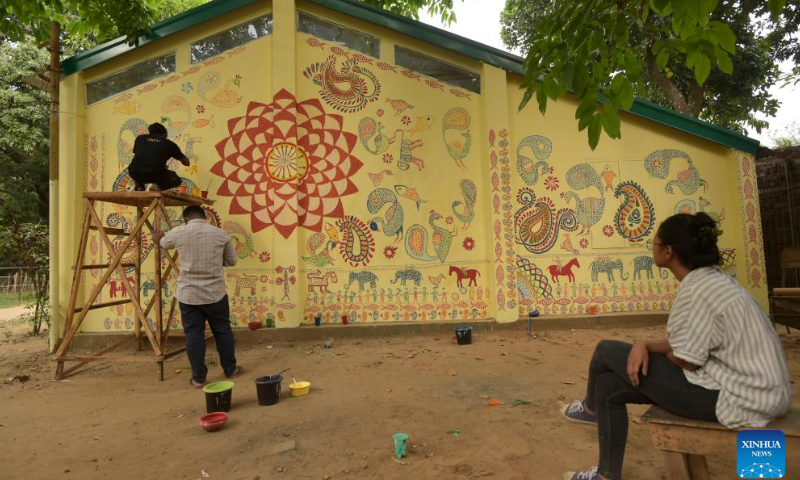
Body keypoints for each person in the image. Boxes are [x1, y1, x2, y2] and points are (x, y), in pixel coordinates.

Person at [562, 212, 792, 480]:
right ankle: (606, 474)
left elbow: (687, 360)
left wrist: (647, 349)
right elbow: (697, 342)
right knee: (609, 386)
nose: (653, 248)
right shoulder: (712, 281)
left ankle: (590, 410)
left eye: (655, 243)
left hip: (740, 398)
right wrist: (645, 344)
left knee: (605, 350)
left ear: (668, 252)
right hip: (760, 391)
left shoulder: (695, 291)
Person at [153, 205, 242, 388]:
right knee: (222, 331)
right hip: (215, 293)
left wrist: (158, 237)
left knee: (194, 335)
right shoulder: (220, 234)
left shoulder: (179, 232)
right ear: (205, 217)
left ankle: (199, 378)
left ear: (186, 218)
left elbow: (163, 243)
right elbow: (231, 261)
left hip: (188, 295)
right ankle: (230, 369)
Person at [129, 122, 190, 191]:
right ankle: (157, 187)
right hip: (155, 173)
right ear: (165, 134)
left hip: (134, 172)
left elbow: (140, 157)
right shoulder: (169, 143)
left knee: (138, 167)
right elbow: (186, 163)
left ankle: (139, 186)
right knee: (176, 179)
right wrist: (180, 156)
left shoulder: (140, 139)